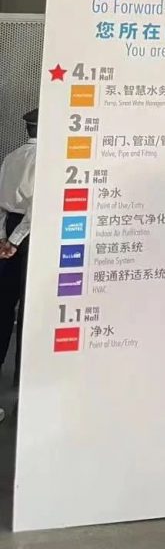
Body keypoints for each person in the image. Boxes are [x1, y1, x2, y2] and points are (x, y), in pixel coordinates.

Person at [0, 107, 38, 400]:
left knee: (4, 302)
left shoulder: (10, 157)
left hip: (8, 230)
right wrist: (15, 240)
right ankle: (23, 373)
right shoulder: (46, 160)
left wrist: (3, 238)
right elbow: (36, 208)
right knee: (30, 305)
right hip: (30, 233)